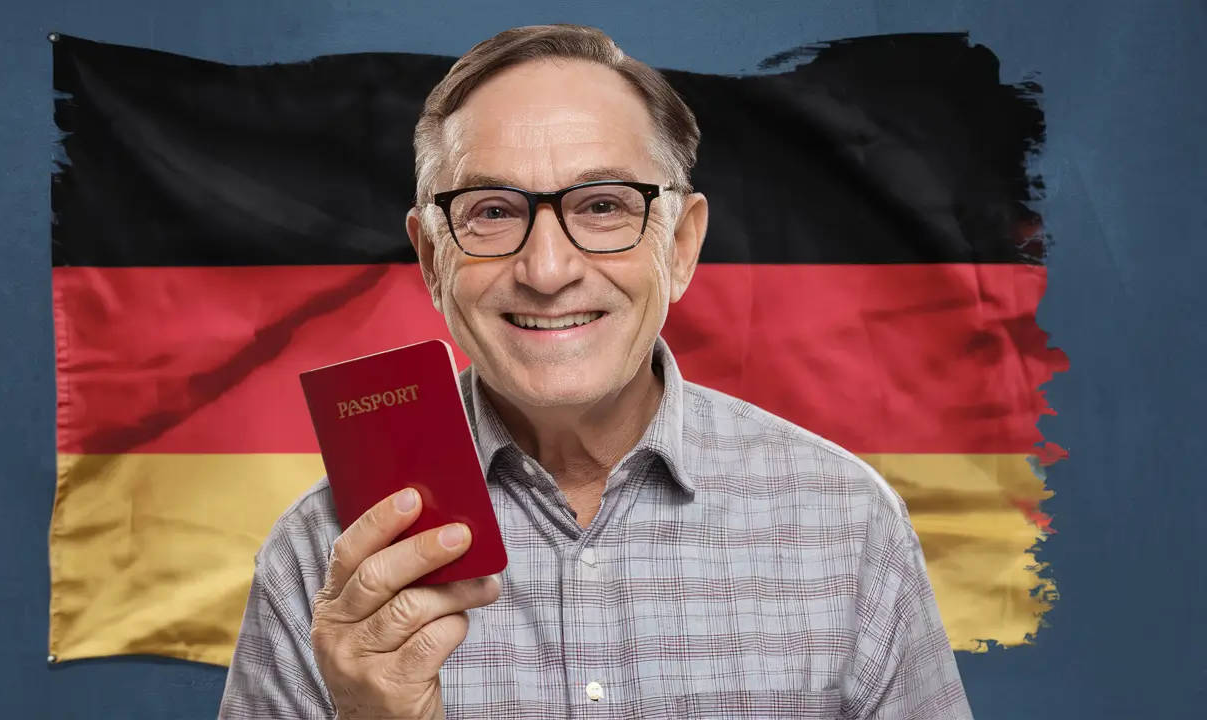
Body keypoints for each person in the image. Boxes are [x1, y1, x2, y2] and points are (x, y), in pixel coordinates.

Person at [219, 23, 973, 720]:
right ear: (430, 259)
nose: (547, 270)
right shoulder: (321, 560)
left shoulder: (847, 523)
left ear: (680, 248)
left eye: (605, 205)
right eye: (490, 211)